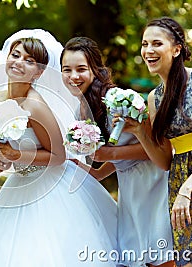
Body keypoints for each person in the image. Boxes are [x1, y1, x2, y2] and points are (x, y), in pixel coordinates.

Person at [0, 29, 118, 266]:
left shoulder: (36, 105)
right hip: (20, 184)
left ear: (40, 72)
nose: (19, 63)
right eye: (15, 55)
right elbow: (3, 150)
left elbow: (58, 155)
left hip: (52, 185)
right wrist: (1, 159)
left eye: (30, 60)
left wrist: (17, 154)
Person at [61, 36, 175, 267]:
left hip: (153, 183)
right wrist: (93, 171)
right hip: (129, 187)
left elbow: (158, 148)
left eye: (81, 69)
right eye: (67, 70)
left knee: (160, 256)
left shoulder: (119, 100)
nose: (74, 76)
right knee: (136, 256)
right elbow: (116, 157)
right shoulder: (81, 109)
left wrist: (109, 154)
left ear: (96, 70)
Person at [123, 17, 192, 267]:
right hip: (181, 178)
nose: (148, 51)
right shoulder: (154, 98)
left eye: (157, 43)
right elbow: (165, 161)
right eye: (145, 44)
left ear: (176, 49)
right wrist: (139, 132)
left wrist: (186, 190)